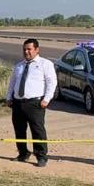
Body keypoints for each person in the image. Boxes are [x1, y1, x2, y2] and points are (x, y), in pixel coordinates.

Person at [6, 38, 57, 168]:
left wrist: (46, 99)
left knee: (37, 130)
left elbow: (52, 83)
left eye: (29, 49)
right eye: (24, 49)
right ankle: (23, 153)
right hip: (18, 103)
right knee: (19, 130)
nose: (26, 52)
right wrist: (9, 97)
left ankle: (41, 156)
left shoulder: (45, 64)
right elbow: (12, 83)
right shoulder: (19, 66)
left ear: (36, 50)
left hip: (35, 103)